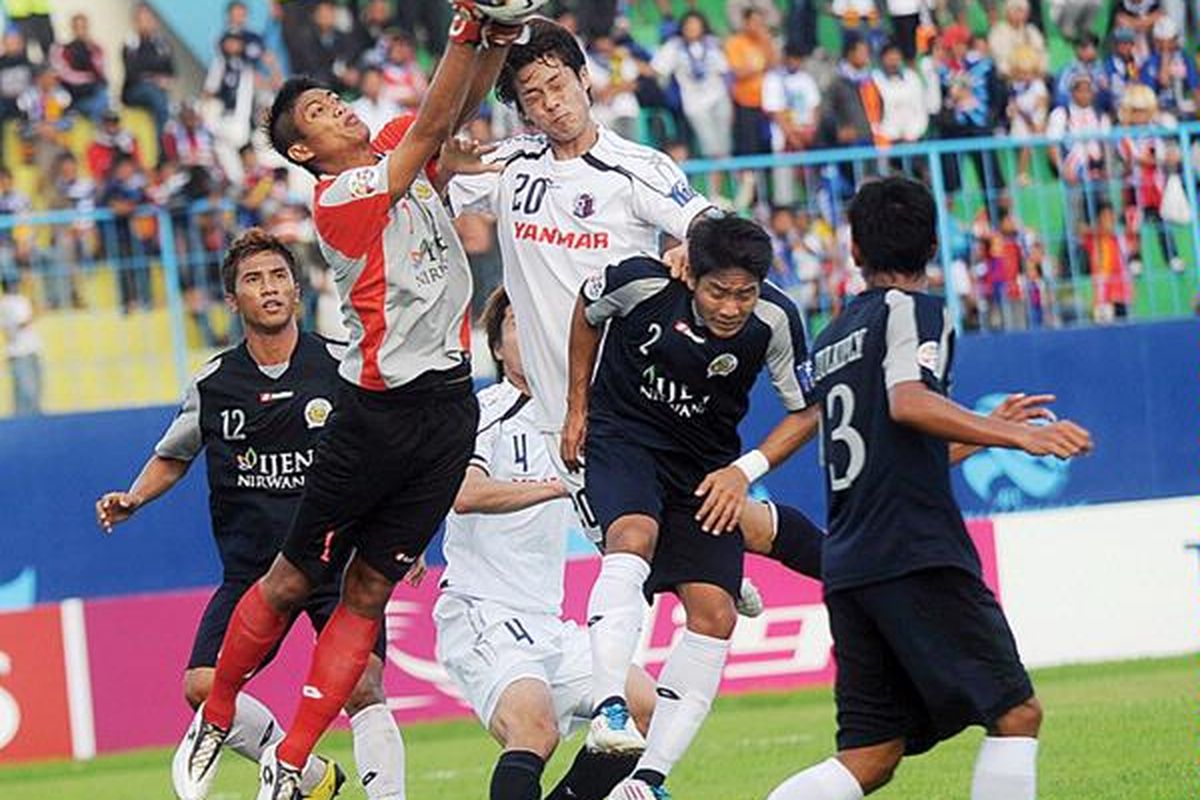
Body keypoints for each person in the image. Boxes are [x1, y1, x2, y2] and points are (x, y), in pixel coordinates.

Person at [177, 8, 529, 799]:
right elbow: (436, 120)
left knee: (368, 594)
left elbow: (456, 113)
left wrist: (497, 38)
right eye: (316, 112)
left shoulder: (395, 142)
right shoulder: (340, 196)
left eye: (334, 98)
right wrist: (467, 27)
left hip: (448, 409)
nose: (336, 105)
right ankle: (219, 712)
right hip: (378, 411)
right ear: (303, 151)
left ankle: (291, 761)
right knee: (290, 581)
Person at [449, 18, 821, 635]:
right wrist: (441, 160)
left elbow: (710, 222)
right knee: (646, 537)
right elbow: (426, 189)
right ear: (521, 110)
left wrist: (690, 247)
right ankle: (730, 562)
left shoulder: (633, 167)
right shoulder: (509, 166)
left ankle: (627, 691)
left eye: (558, 84)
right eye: (533, 96)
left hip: (623, 400)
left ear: (584, 78)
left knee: (629, 543)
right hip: (549, 393)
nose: (551, 104)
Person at [765, 175, 1093, 800]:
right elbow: (910, 402)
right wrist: (1020, 439)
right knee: (1016, 714)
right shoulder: (915, 311)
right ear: (932, 246)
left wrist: (986, 430)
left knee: (871, 753)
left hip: (853, 561)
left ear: (855, 250)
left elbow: (895, 447)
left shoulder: (836, 334)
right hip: (913, 551)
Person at [94, 229, 408, 800]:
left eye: (278, 277)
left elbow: (383, 456)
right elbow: (174, 454)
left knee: (364, 685)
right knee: (202, 687)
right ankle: (309, 777)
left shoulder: (341, 368)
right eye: (253, 280)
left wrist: (395, 537)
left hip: (335, 563)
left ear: (295, 290)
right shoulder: (214, 384)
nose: (269, 289)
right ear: (233, 300)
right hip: (254, 572)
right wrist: (135, 497)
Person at [562, 216, 825, 800]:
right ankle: (610, 708)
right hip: (623, 440)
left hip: (705, 469)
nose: (732, 308)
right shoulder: (643, 283)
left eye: (745, 294)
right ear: (690, 273)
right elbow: (587, 310)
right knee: (632, 535)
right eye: (718, 292)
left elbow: (806, 411)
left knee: (715, 614)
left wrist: (742, 471)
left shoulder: (776, 319)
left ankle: (649, 779)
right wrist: (577, 404)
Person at [435, 286, 659, 800]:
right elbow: (464, 494)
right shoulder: (482, 412)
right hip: (482, 611)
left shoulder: (574, 422)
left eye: (537, 324)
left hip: (547, 623)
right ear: (496, 346)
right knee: (536, 730)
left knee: (642, 710)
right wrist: (559, 485)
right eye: (515, 325)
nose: (529, 335)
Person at [121, 3, 176, 145]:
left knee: (164, 100)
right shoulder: (131, 43)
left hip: (158, 91)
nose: (145, 23)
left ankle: (166, 140)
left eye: (148, 19)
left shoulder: (162, 44)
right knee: (154, 95)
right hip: (134, 91)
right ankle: (159, 144)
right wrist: (154, 78)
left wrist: (162, 79)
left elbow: (170, 71)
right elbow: (132, 73)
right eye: (141, 20)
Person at [0, 274, 41, 416]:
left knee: (25, 394)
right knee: (30, 393)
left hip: (27, 350)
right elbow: (22, 322)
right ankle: (33, 427)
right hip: (20, 352)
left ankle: (26, 426)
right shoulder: (10, 302)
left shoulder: (15, 301)